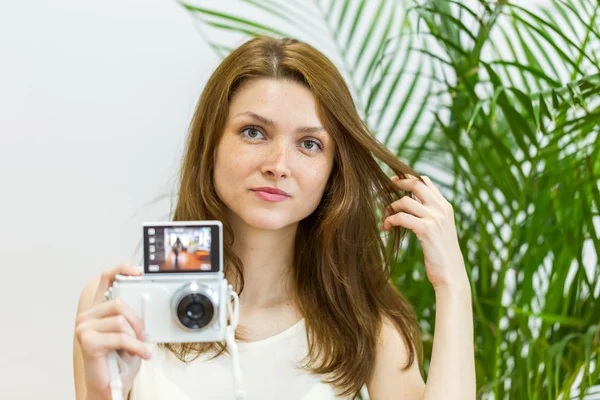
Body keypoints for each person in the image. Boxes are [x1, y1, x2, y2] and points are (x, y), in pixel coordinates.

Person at [73, 36, 475, 400]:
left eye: (309, 143)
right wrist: (103, 390)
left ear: (333, 171)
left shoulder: (364, 325)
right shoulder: (117, 308)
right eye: (253, 132)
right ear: (210, 143)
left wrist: (453, 285)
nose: (278, 165)